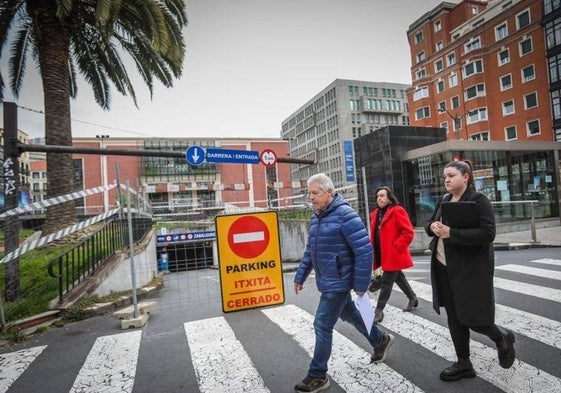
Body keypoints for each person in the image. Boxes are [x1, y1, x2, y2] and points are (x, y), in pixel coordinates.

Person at [293, 173, 394, 393]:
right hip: (328, 279)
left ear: (330, 192)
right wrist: (300, 275)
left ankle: (317, 375)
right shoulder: (317, 217)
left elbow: (364, 251)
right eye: (309, 193)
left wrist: (360, 284)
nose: (311, 197)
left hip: (339, 281)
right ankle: (380, 340)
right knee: (351, 314)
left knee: (321, 324)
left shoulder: (345, 215)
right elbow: (311, 250)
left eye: (315, 192)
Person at [425, 160, 515, 382]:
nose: (446, 179)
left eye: (451, 175)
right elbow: (430, 224)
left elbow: (487, 234)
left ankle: (502, 338)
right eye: (445, 176)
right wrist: (432, 227)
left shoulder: (478, 200)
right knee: (455, 319)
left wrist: (451, 233)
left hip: (469, 271)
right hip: (443, 268)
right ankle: (464, 363)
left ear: (466, 177)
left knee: (474, 318)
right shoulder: (444, 199)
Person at [369, 186, 418, 324]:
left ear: (390, 198)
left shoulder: (397, 211)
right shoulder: (375, 214)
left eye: (383, 195)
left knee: (386, 282)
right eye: (378, 196)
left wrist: (397, 246)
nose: (380, 198)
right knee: (399, 277)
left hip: (393, 253)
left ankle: (378, 311)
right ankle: (413, 298)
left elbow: (408, 232)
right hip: (382, 254)